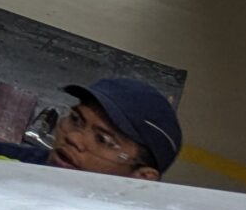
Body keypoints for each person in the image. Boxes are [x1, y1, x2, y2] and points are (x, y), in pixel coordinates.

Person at [41, 76, 182, 180]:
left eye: (103, 139)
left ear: (142, 178)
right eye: (75, 119)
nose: (73, 137)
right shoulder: (20, 166)